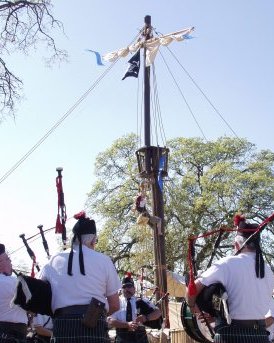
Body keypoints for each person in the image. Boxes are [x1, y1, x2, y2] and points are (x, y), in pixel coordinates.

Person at [186, 214, 274, 343]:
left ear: (237, 244)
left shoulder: (226, 264)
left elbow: (192, 290)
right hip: (260, 335)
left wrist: (195, 308)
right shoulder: (268, 270)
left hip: (230, 335)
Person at [39, 211, 121, 343]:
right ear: (93, 239)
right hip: (94, 327)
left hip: (62, 327)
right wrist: (95, 315)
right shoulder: (104, 260)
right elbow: (115, 305)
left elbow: (39, 295)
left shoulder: (53, 260)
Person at [108, 272, 162, 343]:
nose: (127, 289)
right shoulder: (117, 302)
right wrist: (127, 325)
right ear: (121, 289)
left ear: (134, 289)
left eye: (129, 286)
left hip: (140, 337)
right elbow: (109, 320)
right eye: (124, 287)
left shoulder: (142, 300)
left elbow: (158, 312)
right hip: (122, 337)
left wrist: (146, 317)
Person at [0, 243, 28, 342]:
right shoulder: (13, 282)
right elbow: (32, 301)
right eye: (7, 259)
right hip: (13, 333)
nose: (10, 261)